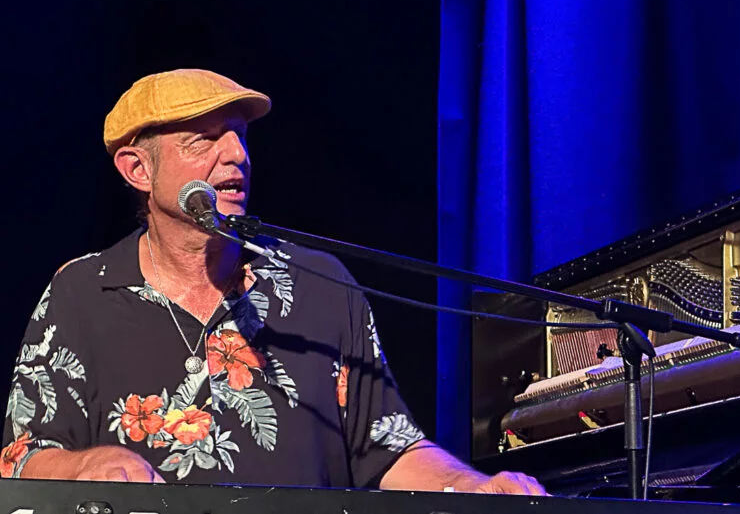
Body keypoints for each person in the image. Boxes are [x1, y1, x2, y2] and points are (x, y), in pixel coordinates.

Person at [0, 69, 545, 494]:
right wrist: (86, 465)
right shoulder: (82, 293)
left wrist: (476, 487)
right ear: (138, 169)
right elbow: (20, 460)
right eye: (203, 140)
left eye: (238, 136)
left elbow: (388, 450)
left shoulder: (321, 285)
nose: (235, 155)